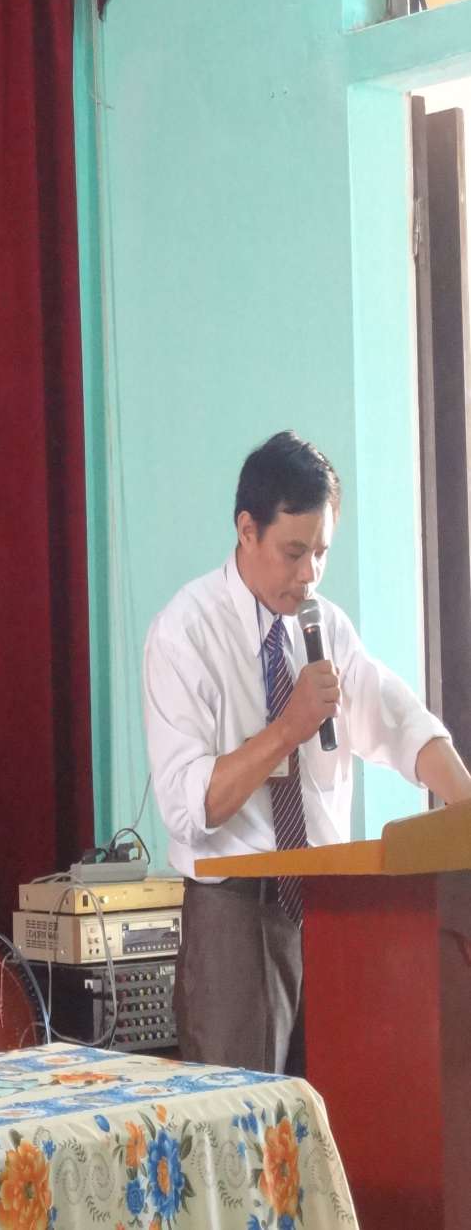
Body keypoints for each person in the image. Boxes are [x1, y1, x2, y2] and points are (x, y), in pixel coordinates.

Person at [142, 430, 471, 1075]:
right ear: (247, 530)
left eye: (321, 553)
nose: (309, 575)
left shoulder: (325, 626)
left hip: (333, 907)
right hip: (236, 911)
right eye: (294, 553)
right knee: (246, 1119)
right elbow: (187, 807)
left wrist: (465, 802)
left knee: (338, 1108)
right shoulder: (185, 633)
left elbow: (399, 721)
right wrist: (286, 729)